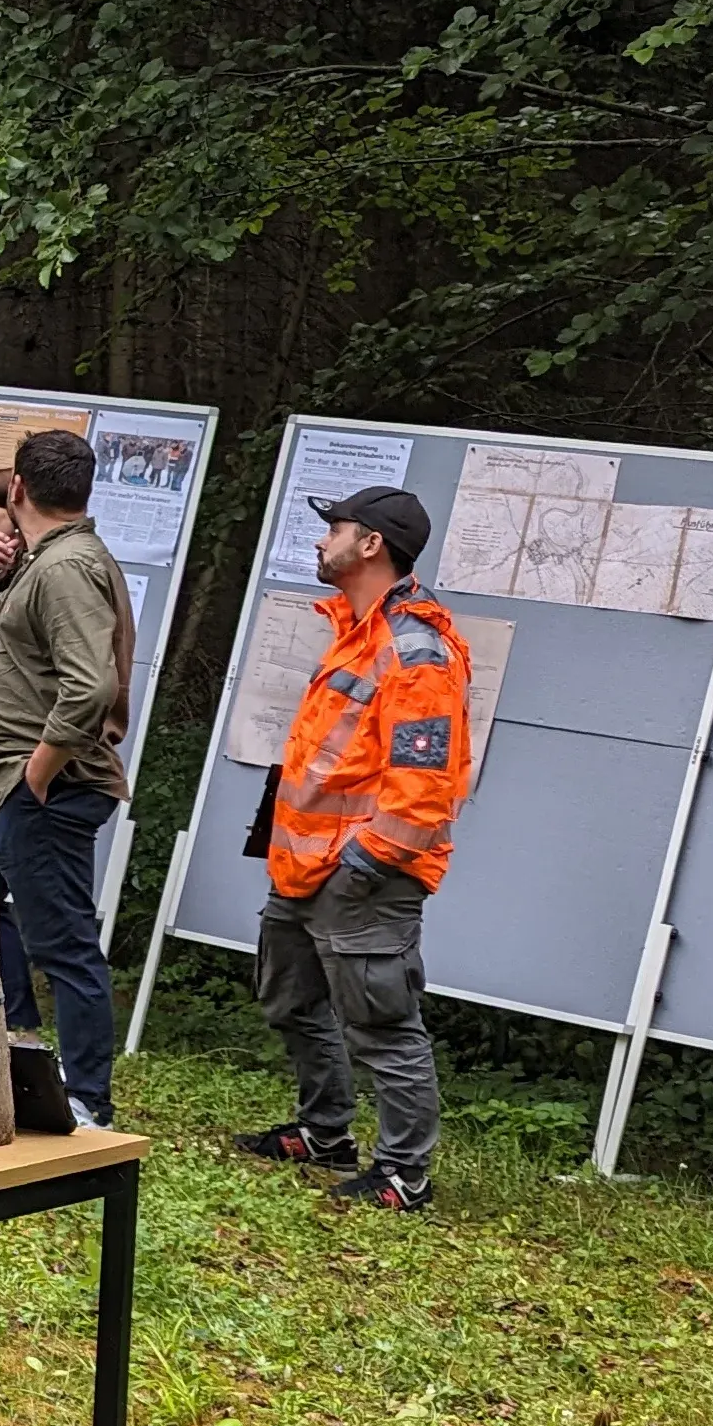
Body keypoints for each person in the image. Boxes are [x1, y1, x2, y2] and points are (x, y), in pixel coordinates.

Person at [241, 483, 474, 1212]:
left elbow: (426, 778)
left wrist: (369, 860)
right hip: (304, 868)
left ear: (369, 543)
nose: (321, 539)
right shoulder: (355, 628)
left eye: (333, 527)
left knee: (381, 1026)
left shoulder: (415, 649)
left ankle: (405, 1173)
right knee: (289, 999)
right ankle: (325, 1132)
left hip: (362, 875)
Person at [0, 427, 132, 1124]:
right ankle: (10, 1043)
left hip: (43, 788)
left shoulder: (68, 568)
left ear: (17, 489)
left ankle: (88, 1100)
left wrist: (36, 775)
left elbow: (90, 688)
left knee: (63, 943)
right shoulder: (36, 562)